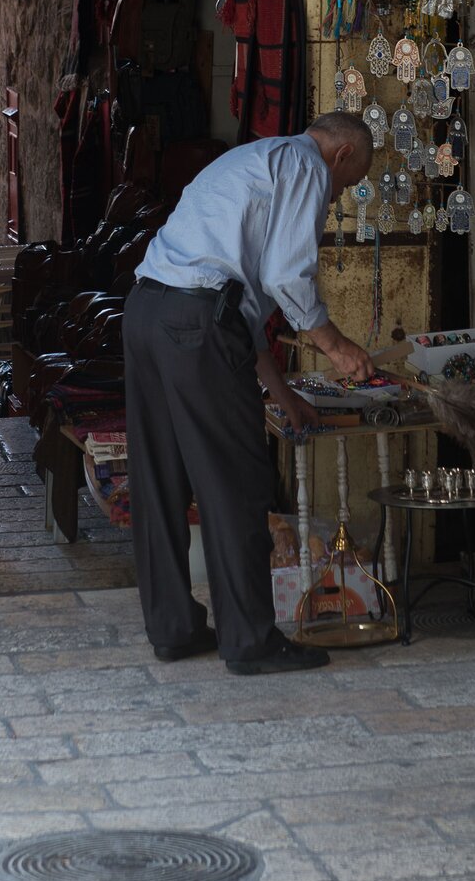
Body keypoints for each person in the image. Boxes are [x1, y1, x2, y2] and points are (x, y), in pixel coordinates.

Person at [124, 112, 377, 676]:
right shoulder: (307, 167)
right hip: (193, 325)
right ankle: (249, 638)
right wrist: (337, 348)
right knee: (235, 479)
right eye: (347, 183)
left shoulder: (252, 161)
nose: (336, 199)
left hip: (146, 311)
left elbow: (234, 307)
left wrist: (282, 395)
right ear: (340, 156)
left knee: (159, 478)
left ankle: (174, 627)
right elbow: (288, 279)